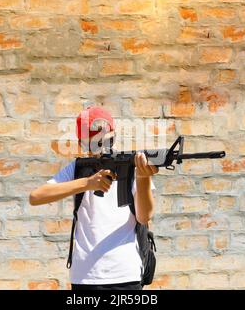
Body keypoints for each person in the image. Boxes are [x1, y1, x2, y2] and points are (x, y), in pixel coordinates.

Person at [29, 106, 158, 290]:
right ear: (82, 142)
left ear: (113, 136)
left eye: (104, 141)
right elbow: (36, 197)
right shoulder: (77, 168)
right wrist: (87, 183)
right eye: (90, 144)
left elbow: (144, 217)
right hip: (85, 277)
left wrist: (143, 177)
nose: (98, 149)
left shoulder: (132, 165)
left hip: (125, 274)